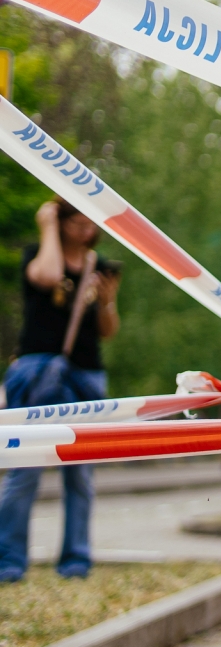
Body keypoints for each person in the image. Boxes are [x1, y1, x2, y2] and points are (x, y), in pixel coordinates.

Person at [0, 199, 120, 581]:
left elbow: (107, 330)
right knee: (25, 467)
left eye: (91, 223)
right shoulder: (38, 253)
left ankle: (76, 560)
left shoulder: (98, 265)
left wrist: (107, 302)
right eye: (76, 222)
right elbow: (48, 277)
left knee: (81, 471)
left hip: (86, 373)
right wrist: (47, 225)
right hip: (38, 370)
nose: (85, 230)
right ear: (61, 220)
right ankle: (9, 561)